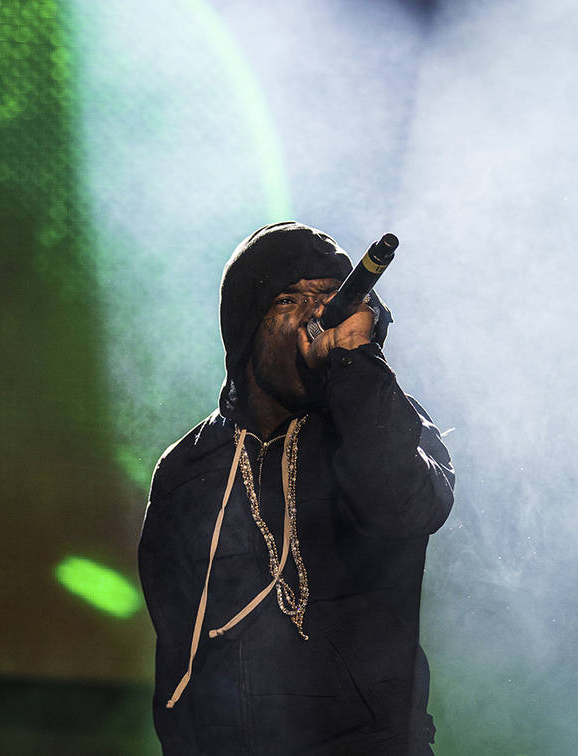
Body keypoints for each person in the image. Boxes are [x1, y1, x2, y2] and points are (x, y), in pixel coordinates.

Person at [138, 221, 455, 755]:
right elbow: (178, 659)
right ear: (245, 330)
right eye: (290, 298)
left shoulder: (379, 424)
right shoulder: (187, 471)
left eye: (331, 296)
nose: (317, 313)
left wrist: (356, 361)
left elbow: (405, 507)